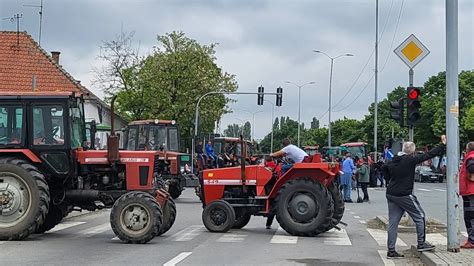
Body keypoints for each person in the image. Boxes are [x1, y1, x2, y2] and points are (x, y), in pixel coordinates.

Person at [382, 135, 446, 259]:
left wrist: (388, 179)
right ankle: (421, 243)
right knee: (420, 216)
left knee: (393, 223)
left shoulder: (393, 160)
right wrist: (443, 145)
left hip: (391, 193)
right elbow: (428, 155)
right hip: (404, 194)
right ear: (413, 151)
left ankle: (391, 250)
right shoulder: (410, 160)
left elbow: (383, 168)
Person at [460, 141, 474, 249]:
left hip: (470, 192)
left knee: (470, 217)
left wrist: (470, 176)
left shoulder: (470, 157)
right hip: (470, 192)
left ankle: (472, 240)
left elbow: (471, 168)